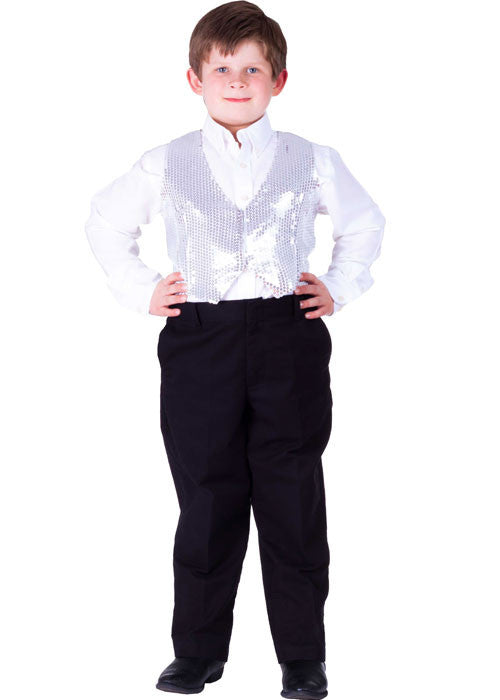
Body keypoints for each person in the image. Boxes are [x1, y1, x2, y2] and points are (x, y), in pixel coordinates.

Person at [84, 2, 385, 697]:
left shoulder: (312, 159)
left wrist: (338, 287)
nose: (238, 81)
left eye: (253, 69)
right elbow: (105, 222)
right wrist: (143, 290)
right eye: (223, 68)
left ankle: (302, 658)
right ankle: (197, 651)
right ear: (195, 79)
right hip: (201, 339)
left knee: (292, 495)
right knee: (207, 495)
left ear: (279, 79)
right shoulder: (166, 162)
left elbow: (365, 225)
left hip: (288, 334)